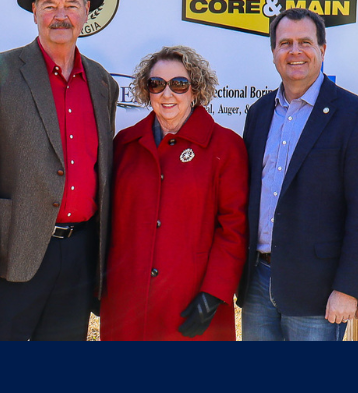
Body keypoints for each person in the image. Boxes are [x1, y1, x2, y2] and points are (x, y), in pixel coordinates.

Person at [0, 0, 119, 341]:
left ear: (86, 13)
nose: (60, 15)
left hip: (80, 252)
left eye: (70, 5)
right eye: (49, 5)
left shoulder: (102, 82)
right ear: (34, 13)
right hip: (15, 248)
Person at [238, 7, 358, 341]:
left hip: (319, 289)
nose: (295, 51)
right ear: (273, 51)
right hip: (258, 282)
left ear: (323, 49)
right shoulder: (259, 113)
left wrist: (348, 287)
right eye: (285, 43)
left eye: (305, 42)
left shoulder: (355, 116)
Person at [100, 46, 248, 341]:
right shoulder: (125, 145)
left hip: (192, 304)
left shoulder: (226, 147)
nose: (167, 94)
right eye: (157, 84)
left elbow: (234, 228)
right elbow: (107, 224)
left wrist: (214, 293)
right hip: (127, 304)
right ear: (147, 90)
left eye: (179, 84)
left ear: (196, 90)